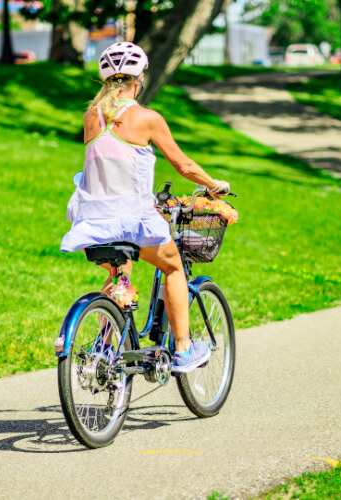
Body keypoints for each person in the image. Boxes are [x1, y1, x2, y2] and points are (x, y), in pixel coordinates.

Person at [60, 41, 230, 373]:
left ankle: (105, 347)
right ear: (138, 81)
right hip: (132, 220)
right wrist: (214, 186)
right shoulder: (146, 117)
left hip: (93, 222)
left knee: (120, 273)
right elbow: (183, 165)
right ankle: (182, 350)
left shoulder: (90, 117)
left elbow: (108, 165)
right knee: (174, 267)